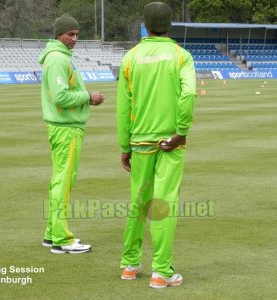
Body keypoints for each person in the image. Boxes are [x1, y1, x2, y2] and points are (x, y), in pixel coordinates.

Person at [117, 2, 196, 288]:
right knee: (162, 204)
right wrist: (182, 132)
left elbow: (123, 107)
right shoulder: (181, 56)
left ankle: (129, 265)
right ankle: (161, 272)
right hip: (169, 142)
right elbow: (188, 96)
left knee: (138, 203)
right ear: (169, 24)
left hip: (139, 142)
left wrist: (124, 146)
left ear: (145, 25)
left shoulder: (130, 57)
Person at [39, 13, 105, 254]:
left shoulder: (61, 57)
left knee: (59, 180)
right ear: (59, 34)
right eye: (70, 34)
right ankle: (61, 239)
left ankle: (51, 233)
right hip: (66, 129)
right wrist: (89, 96)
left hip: (64, 127)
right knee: (63, 182)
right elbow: (61, 97)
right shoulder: (58, 59)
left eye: (77, 34)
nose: (74, 38)